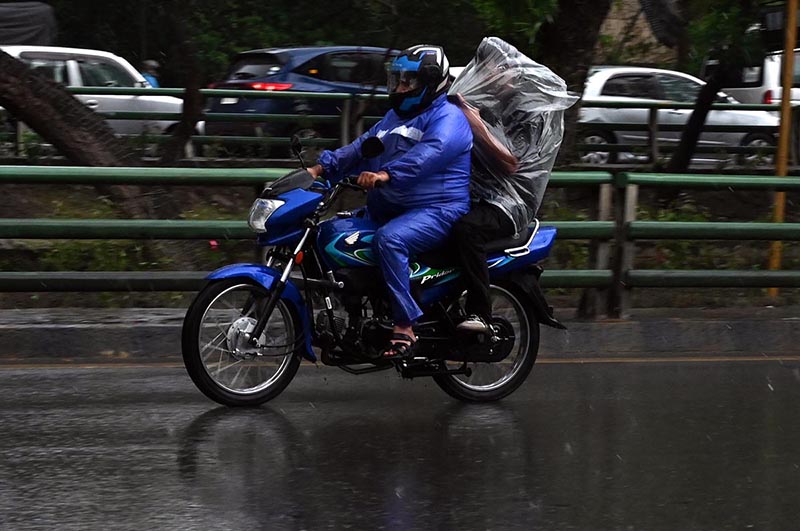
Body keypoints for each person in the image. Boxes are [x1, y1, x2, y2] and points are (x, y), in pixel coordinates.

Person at [307, 44, 473, 358]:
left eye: (407, 81)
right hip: (392, 207)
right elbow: (361, 147)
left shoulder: (449, 118)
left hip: (438, 210)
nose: (398, 88)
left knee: (390, 240)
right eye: (396, 79)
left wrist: (385, 175)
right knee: (331, 232)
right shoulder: (395, 116)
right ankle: (354, 314)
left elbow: (429, 155)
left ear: (429, 82)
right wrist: (319, 168)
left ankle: (405, 324)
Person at [448, 37, 576, 332]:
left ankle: (480, 312)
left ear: (509, 70)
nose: (485, 77)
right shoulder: (489, 102)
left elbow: (510, 163)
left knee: (467, 230)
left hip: (510, 203)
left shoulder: (528, 110)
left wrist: (470, 117)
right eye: (482, 70)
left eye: (491, 70)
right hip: (477, 194)